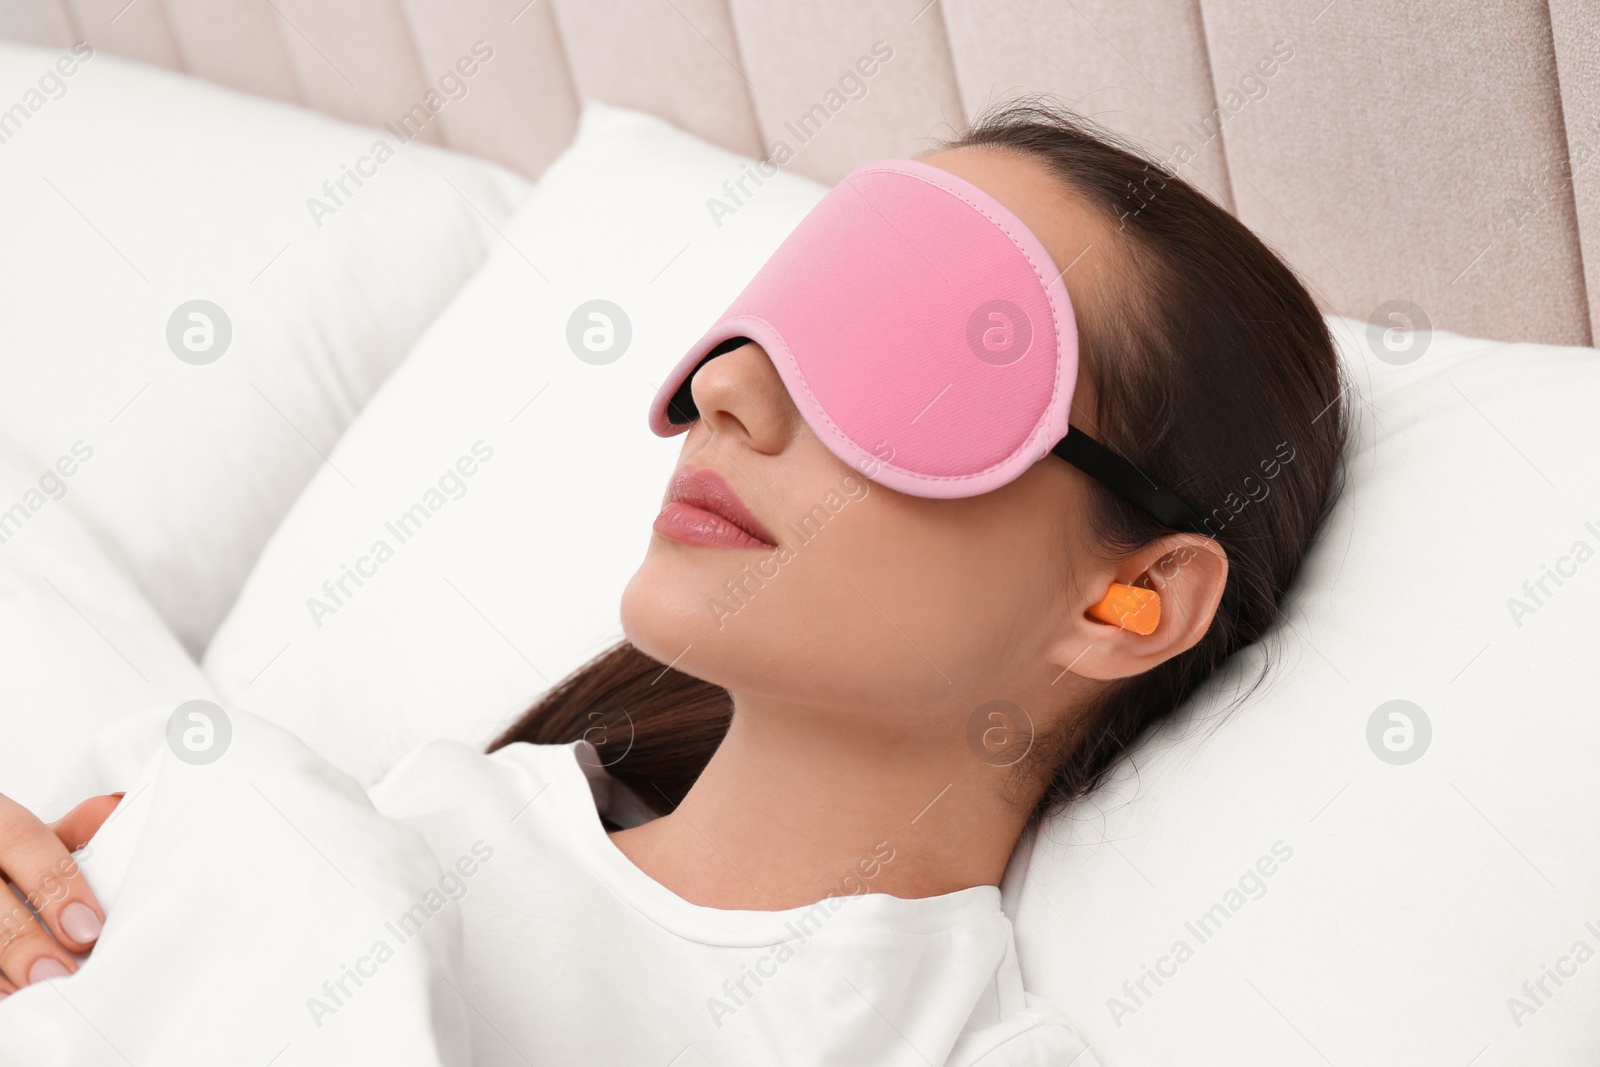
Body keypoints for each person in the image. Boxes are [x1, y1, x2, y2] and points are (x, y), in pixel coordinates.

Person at [0, 99, 1348, 1063]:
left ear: (1129, 604)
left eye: (907, 353)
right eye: (777, 312)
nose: (727, 386)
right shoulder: (320, 825)